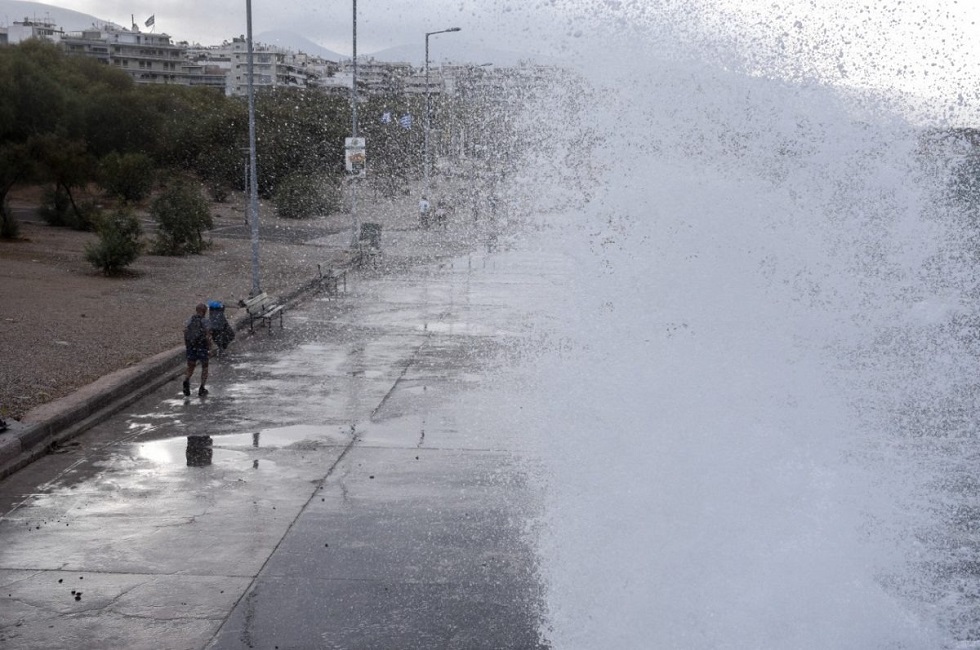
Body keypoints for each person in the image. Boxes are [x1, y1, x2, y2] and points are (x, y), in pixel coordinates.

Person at [183, 303, 213, 397]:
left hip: (191, 346)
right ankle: (202, 388)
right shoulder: (205, 321)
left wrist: (188, 345)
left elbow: (185, 332)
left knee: (191, 366)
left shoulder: (190, 320)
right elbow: (208, 336)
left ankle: (186, 379)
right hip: (202, 346)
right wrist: (210, 347)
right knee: (205, 367)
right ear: (204, 311)